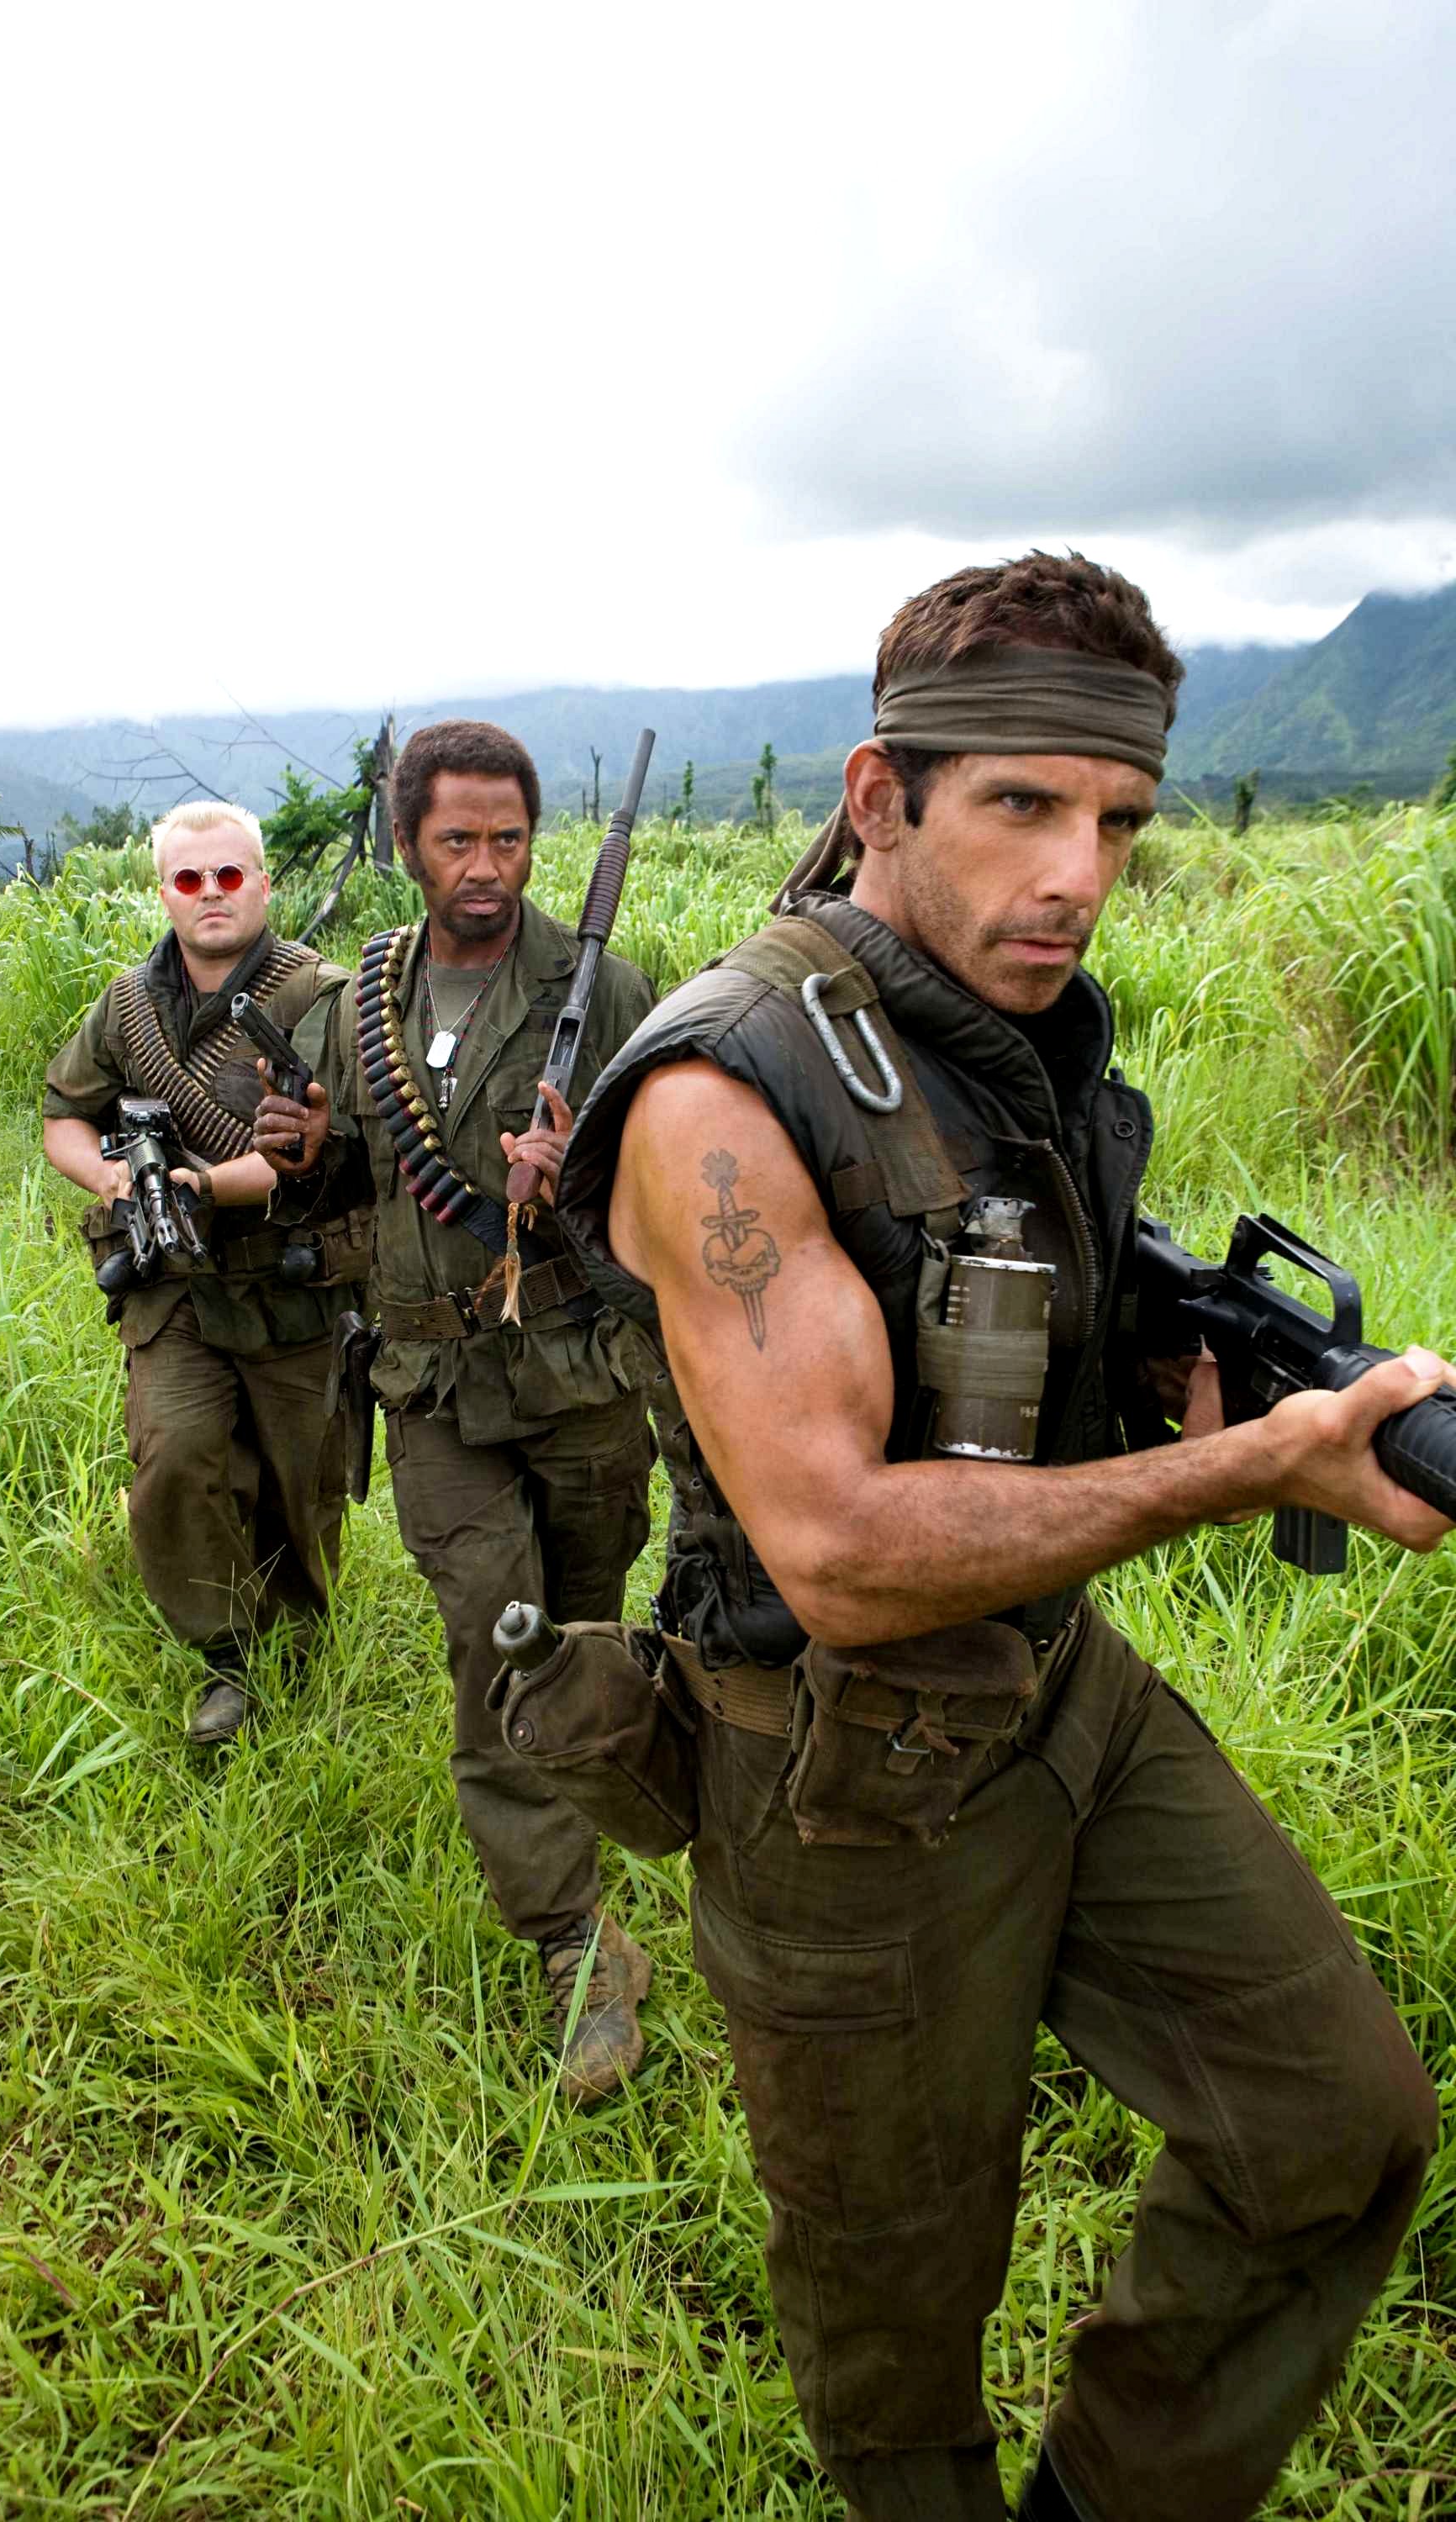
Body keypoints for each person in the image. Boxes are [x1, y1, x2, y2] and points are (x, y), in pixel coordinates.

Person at [554, 553, 1442, 2521]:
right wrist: (1249, 1471)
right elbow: (837, 1546)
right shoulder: (722, 1094)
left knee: (1336, 2125)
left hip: (1049, 1685)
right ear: (877, 795)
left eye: (1114, 820)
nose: (1072, 876)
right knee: (896, 2332)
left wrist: (1158, 1393)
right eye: (1018, 809)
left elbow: (997, 1334)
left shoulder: (999, 1024)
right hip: (837, 1774)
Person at [252, 719, 660, 2103]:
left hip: (583, 1387)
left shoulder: (604, 987)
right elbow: (345, 1188)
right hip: (430, 1392)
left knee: (591, 1649)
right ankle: (575, 1947)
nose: (485, 867)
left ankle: (664, 1844)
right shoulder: (360, 997)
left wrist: (578, 1172)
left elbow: (674, 1188)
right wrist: (301, 1159)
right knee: (505, 1643)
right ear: (409, 845)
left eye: (509, 840)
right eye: (456, 841)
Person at [43, 799, 372, 1743]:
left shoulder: (320, 999)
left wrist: (204, 1182)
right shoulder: (128, 1003)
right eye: (190, 880)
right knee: (179, 1458)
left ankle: (304, 1643)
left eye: (230, 875)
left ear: (262, 883)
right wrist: (115, 1177)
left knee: (299, 1484)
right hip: (173, 1285)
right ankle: (227, 1658)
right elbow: (64, 1113)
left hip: (292, 1285)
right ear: (165, 893)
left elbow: (328, 1147)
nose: (211, 894)